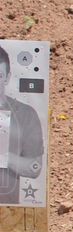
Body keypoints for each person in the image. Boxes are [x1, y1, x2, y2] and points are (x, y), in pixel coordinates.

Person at [0, 46, 44, 204]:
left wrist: (4, 157)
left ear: (7, 77)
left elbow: (35, 168)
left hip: (8, 212)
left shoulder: (25, 114)